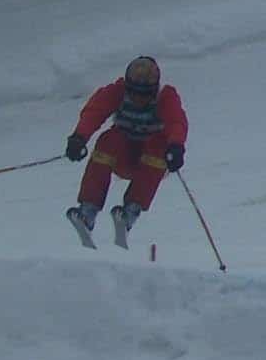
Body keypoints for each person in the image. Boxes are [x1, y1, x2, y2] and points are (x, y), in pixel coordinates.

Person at [64, 56, 188, 237]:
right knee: (109, 139)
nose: (139, 99)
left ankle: (131, 210)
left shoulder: (165, 97)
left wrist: (176, 146)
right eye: (134, 93)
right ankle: (88, 211)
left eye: (145, 95)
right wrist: (79, 138)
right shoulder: (117, 92)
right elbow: (94, 111)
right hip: (122, 157)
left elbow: (176, 121)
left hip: (151, 164)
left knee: (158, 145)